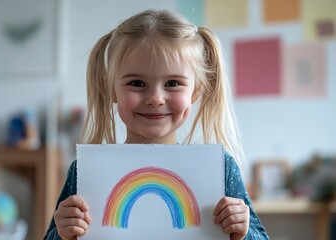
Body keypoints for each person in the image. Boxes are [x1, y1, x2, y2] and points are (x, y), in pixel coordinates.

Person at [44, 9, 269, 240]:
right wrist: (62, 234)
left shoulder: (221, 169)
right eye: (137, 83)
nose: (155, 98)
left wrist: (243, 232)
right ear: (109, 89)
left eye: (173, 83)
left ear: (197, 90)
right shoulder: (83, 171)